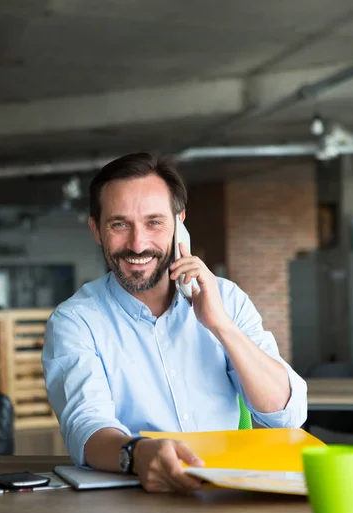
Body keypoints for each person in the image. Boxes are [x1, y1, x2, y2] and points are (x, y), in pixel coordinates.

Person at [42, 152, 307, 494]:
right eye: (119, 224)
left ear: (179, 223)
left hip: (227, 496)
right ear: (96, 229)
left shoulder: (226, 300)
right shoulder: (75, 321)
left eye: (154, 222)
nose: (138, 244)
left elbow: (286, 415)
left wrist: (221, 325)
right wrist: (136, 453)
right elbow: (86, 428)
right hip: (133, 500)